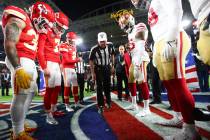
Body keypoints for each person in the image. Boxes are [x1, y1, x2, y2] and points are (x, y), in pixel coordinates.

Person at [131, 0, 201, 139]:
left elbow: (176, 10)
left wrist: (171, 37)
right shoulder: (152, 5)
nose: (134, 1)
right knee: (169, 84)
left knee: (177, 83)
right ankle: (178, 116)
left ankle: (190, 130)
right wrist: (157, 47)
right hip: (161, 41)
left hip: (172, 36)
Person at [1, 1, 51, 139]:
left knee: (32, 90)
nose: (43, 27)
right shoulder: (20, 16)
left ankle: (20, 125)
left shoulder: (32, 26)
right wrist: (18, 67)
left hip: (29, 60)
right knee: (21, 95)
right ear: (36, 15)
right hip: (20, 59)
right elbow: (10, 42)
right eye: (43, 22)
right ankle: (17, 133)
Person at [112, 10, 151, 117]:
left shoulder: (140, 26)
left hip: (141, 57)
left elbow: (141, 41)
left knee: (141, 80)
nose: (124, 27)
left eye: (124, 24)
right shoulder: (130, 34)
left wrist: (137, 58)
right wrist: (129, 48)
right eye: (122, 25)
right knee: (130, 80)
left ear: (130, 20)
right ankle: (134, 104)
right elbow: (133, 46)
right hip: (134, 58)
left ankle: (147, 108)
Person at [37, 10, 69, 124]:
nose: (61, 30)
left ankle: (54, 109)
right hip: (48, 63)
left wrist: (60, 63)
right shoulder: (45, 31)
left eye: (62, 28)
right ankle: (48, 115)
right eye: (60, 27)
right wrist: (44, 67)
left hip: (55, 63)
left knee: (57, 88)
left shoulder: (57, 35)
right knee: (49, 90)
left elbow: (57, 51)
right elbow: (39, 52)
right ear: (54, 22)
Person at [89, 32, 115, 114]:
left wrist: (112, 65)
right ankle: (100, 105)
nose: (103, 43)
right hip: (98, 69)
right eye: (101, 41)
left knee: (107, 86)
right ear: (98, 41)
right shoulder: (94, 49)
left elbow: (113, 55)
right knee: (99, 88)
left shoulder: (110, 45)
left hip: (107, 67)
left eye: (104, 41)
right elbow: (91, 61)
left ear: (106, 40)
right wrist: (93, 73)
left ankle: (108, 101)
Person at [60, 32, 84, 112]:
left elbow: (72, 58)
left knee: (75, 85)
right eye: (72, 40)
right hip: (66, 68)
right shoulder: (63, 45)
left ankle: (76, 102)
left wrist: (76, 61)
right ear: (68, 39)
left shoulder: (74, 47)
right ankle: (67, 105)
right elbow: (67, 60)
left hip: (72, 68)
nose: (74, 42)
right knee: (67, 86)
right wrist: (77, 60)